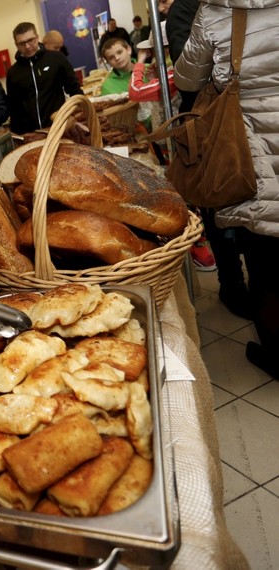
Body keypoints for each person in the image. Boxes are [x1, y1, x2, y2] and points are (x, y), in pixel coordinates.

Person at [174, 0, 279, 377]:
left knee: (266, 268)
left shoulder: (214, 12)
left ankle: (276, 355)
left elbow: (187, 79)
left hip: (251, 157)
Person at [168, 0, 246, 311]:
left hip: (241, 117)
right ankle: (232, 283)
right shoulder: (185, 9)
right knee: (216, 202)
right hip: (209, 123)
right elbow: (187, 75)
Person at [6, 22, 83, 135]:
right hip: (30, 135)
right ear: (16, 45)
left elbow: (75, 90)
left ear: (37, 37)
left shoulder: (57, 58)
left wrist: (78, 116)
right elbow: (13, 108)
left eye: (31, 40)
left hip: (59, 129)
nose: (27, 46)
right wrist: (16, 136)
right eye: (22, 43)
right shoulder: (13, 73)